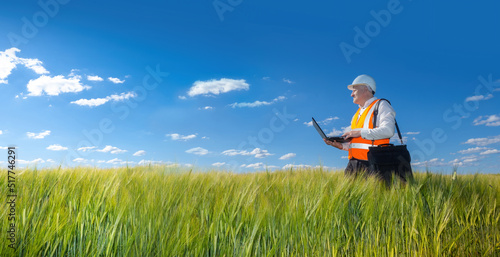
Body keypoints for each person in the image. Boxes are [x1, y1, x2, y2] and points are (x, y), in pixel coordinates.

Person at [324, 74, 396, 178]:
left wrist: (360, 132)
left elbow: (388, 131)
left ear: (366, 88)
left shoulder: (381, 105)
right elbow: (358, 143)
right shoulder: (356, 114)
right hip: (352, 165)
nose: (351, 94)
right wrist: (342, 146)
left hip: (373, 164)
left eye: (354, 90)